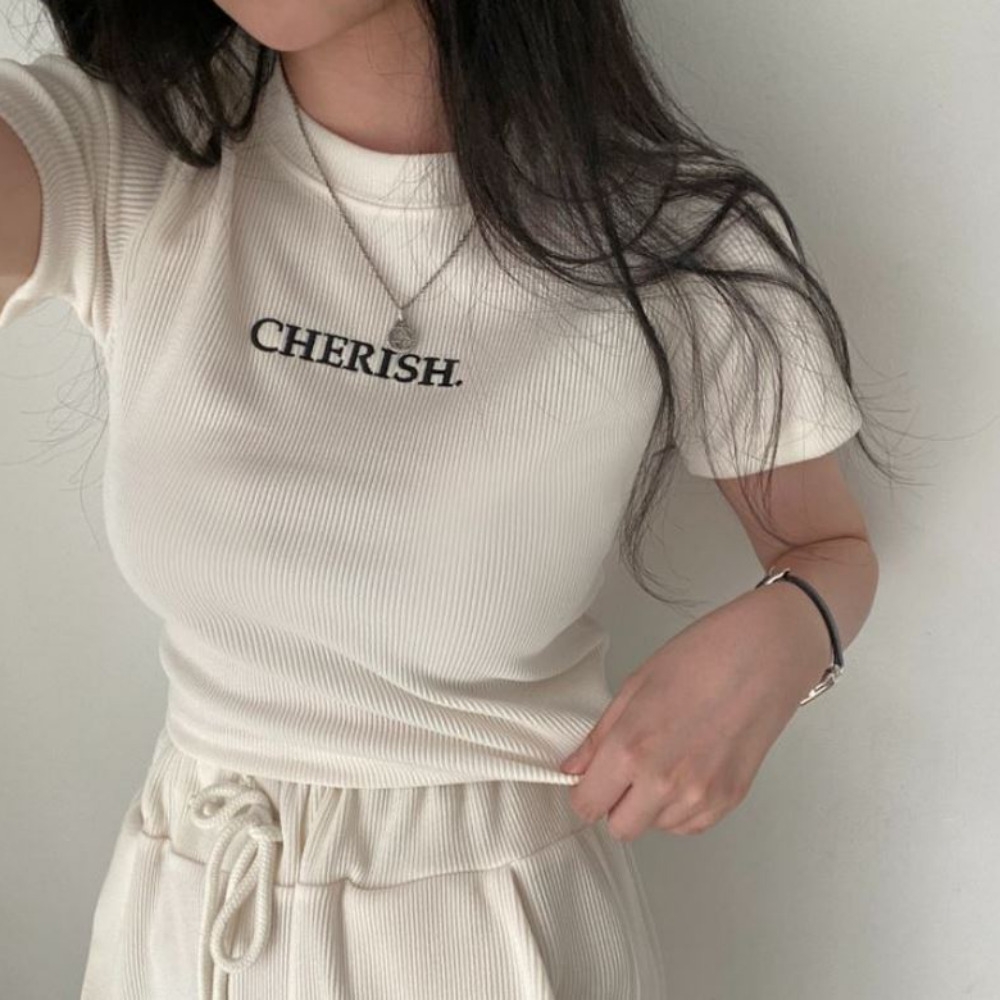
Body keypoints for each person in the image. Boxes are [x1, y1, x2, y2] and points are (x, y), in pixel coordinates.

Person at [0, 0, 881, 997]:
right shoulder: (126, 149)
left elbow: (827, 546)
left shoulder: (675, 235)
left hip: (492, 936)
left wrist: (785, 636)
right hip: (180, 914)